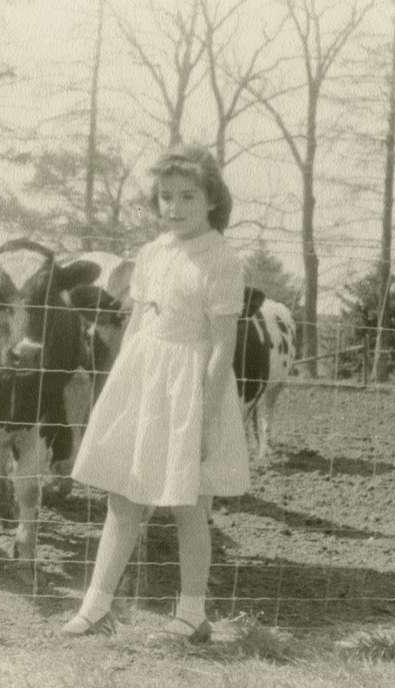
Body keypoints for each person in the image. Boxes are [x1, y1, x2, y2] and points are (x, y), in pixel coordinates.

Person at [61, 143, 248, 644]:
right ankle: (96, 606)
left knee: (190, 505)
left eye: (188, 196)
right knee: (122, 496)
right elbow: (137, 326)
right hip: (144, 378)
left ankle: (191, 613)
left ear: (212, 199)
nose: (175, 206)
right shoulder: (150, 253)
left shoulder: (222, 259)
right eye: (165, 196)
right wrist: (119, 389)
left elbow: (222, 347)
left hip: (192, 385)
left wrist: (205, 418)